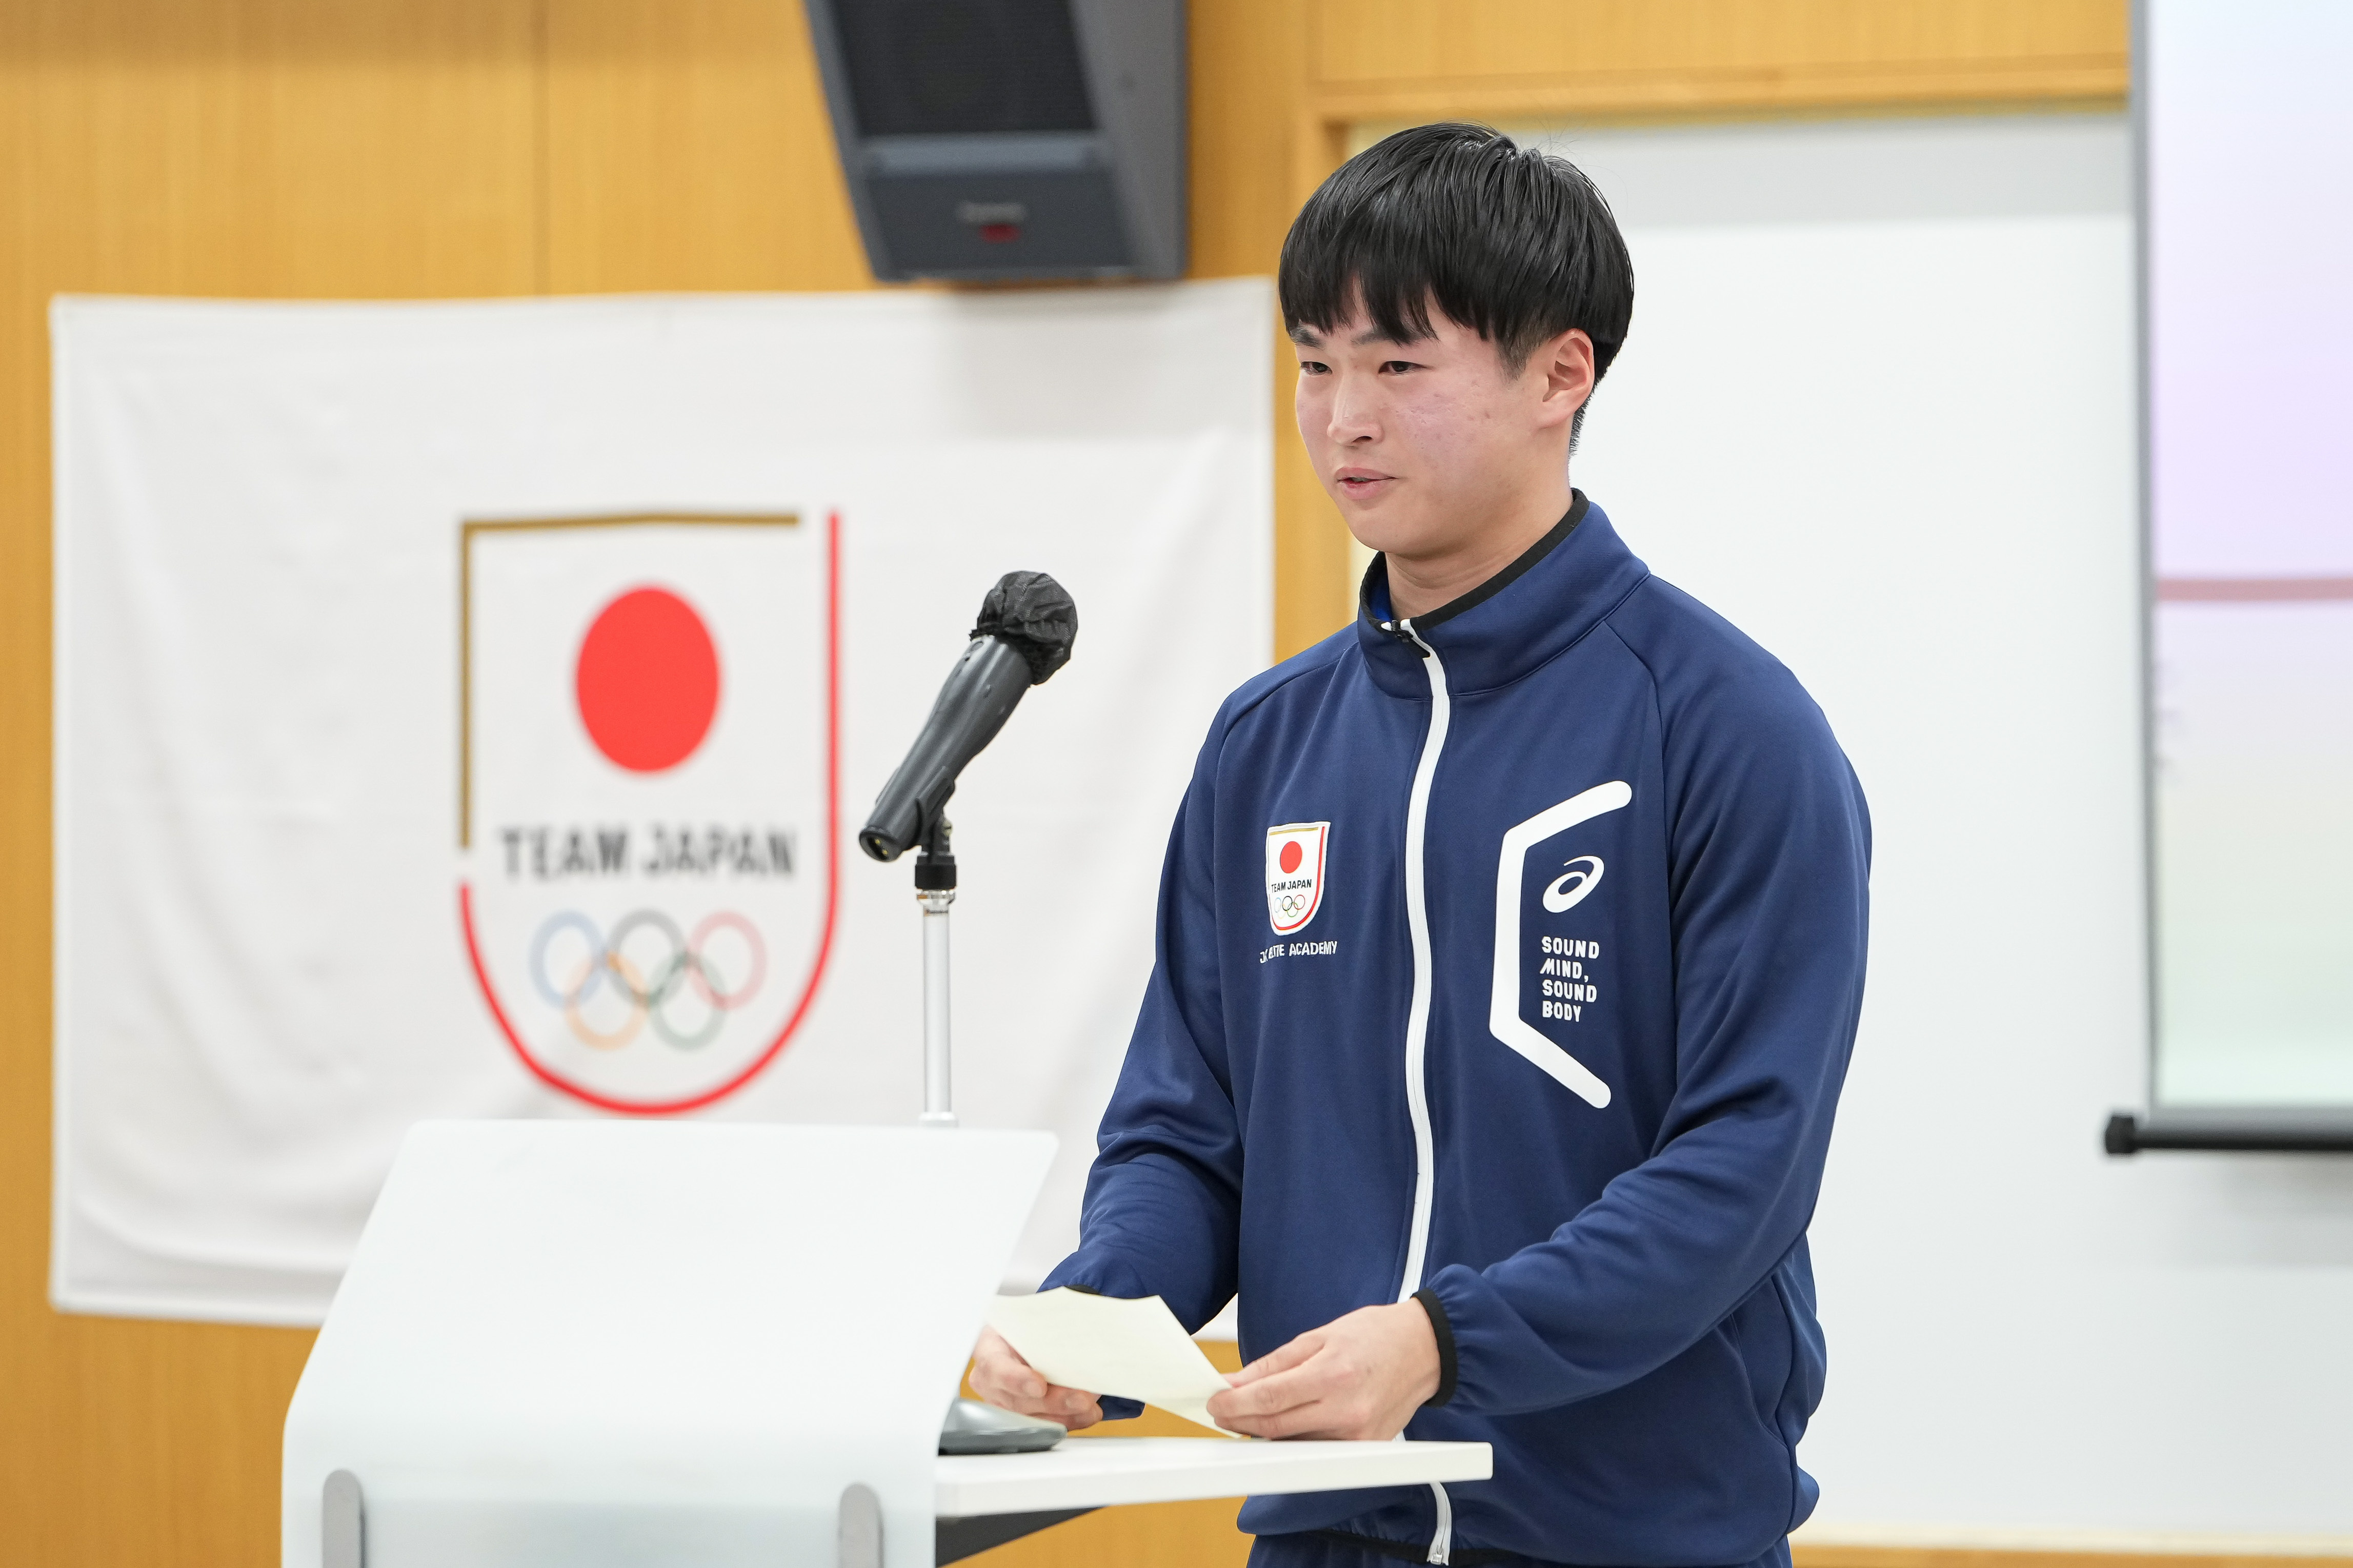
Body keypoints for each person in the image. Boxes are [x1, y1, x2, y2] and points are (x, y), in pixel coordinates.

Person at [971, 121, 1872, 1568]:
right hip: (1327, 1537)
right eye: (1316, 363)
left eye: (1399, 366)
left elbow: (1742, 1167)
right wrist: (1100, 1316)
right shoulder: (1266, 745)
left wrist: (1448, 1341)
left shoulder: (1728, 727)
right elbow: (1185, 1134)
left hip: (1636, 1537)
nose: (1342, 417)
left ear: (1560, 376)